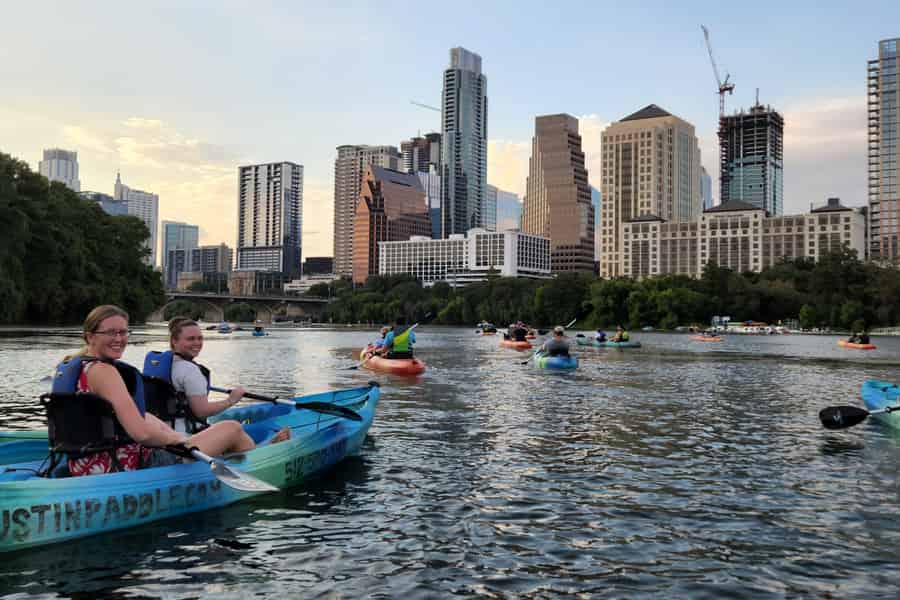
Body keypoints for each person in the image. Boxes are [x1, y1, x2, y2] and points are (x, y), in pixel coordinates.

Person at [55, 305, 282, 477]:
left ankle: (247, 454)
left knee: (200, 436)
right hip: (124, 466)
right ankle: (260, 466)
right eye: (111, 333)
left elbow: (141, 418)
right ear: (90, 336)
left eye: (123, 332)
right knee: (232, 427)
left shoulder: (76, 366)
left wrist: (176, 437)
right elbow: (141, 434)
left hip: (84, 464)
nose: (119, 339)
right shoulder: (105, 372)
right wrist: (175, 440)